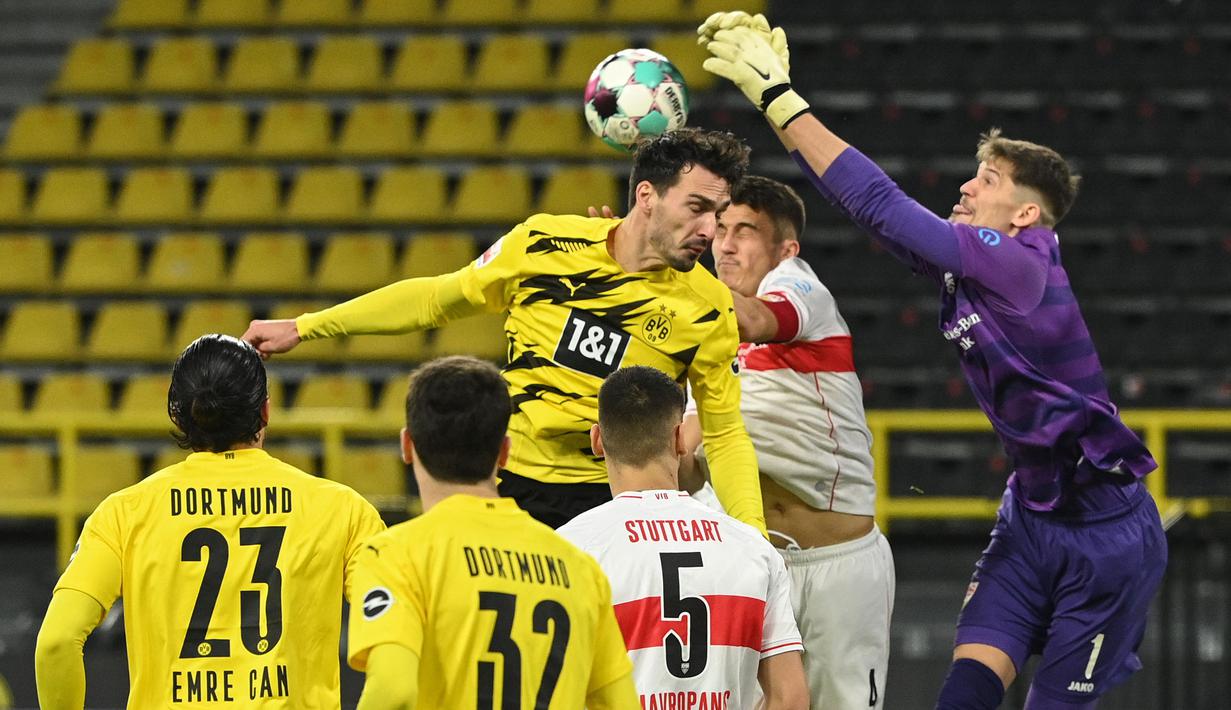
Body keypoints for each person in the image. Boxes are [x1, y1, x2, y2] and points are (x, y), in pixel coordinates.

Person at [698, 13, 1168, 709]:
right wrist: (777, 111)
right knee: (964, 694)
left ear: (1024, 216)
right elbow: (863, 206)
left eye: (987, 180)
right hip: (1031, 516)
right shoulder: (975, 269)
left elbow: (882, 202)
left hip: (1107, 534)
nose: (966, 188)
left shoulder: (1020, 264)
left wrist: (779, 97)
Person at [242, 128, 765, 535]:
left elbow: (724, 433)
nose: (709, 231)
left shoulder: (708, 307)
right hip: (510, 486)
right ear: (646, 195)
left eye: (718, 215)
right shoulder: (543, 244)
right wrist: (305, 326)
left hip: (616, 504)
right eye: (697, 208)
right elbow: (434, 299)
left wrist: (756, 538)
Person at [34, 334, 386, 709]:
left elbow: (56, 642)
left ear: (178, 414)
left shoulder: (123, 513)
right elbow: (393, 647)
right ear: (265, 411)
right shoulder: (344, 510)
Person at [678, 175, 895, 708]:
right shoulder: (701, 333)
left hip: (835, 566)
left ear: (786, 250)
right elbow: (686, 466)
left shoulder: (802, 292)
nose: (725, 245)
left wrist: (663, 272)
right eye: (720, 230)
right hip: (753, 565)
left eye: (745, 231)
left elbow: (754, 320)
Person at [346, 355, 638, 710]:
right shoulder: (580, 568)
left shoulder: (394, 555)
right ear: (504, 452)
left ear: (407, 446)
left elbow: (393, 690)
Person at [557, 366, 808, 710]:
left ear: (597, 440)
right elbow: (790, 698)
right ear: (679, 439)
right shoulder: (754, 550)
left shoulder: (568, 551)